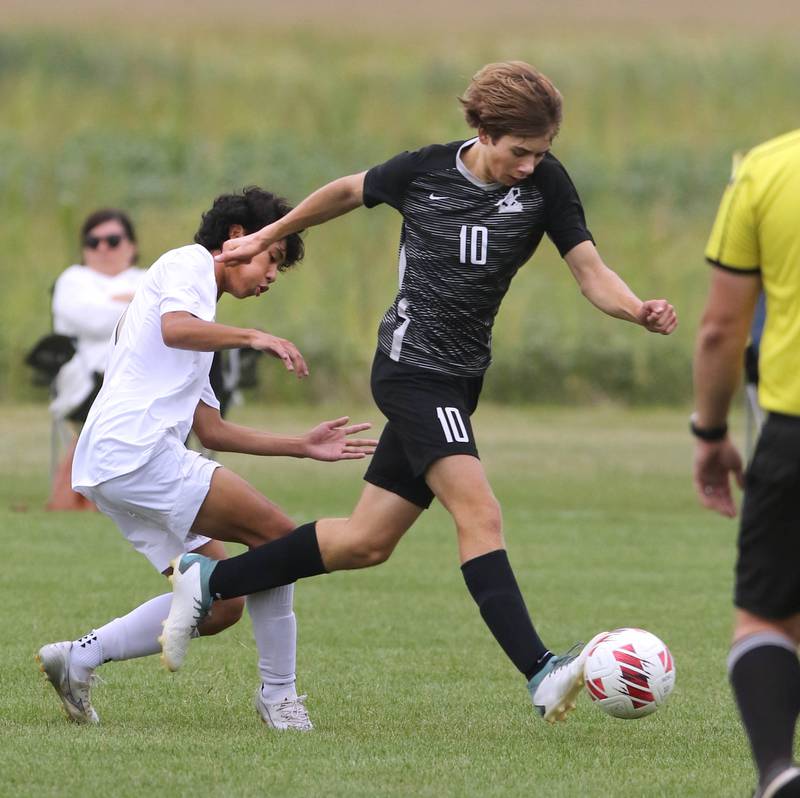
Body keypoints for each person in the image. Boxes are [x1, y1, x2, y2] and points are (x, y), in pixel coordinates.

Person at [161, 61, 677, 723]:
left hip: (459, 380)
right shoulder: (425, 171)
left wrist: (635, 309)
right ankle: (542, 672)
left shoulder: (547, 184)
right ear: (483, 131)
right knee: (479, 513)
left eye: (541, 153)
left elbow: (590, 270)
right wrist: (269, 235)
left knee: (365, 541)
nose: (530, 165)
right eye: (519, 152)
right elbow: (347, 191)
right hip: (411, 369)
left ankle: (211, 580)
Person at [37, 187, 377, 732]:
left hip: (113, 464)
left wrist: (302, 445)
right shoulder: (190, 264)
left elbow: (213, 429)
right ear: (239, 238)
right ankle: (280, 697)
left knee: (220, 608)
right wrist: (254, 337)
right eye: (273, 258)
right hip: (136, 451)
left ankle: (78, 657)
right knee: (280, 541)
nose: (270, 277)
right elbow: (176, 329)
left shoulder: (202, 314)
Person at [692, 129, 800, 798]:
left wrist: (709, 430)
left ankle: (778, 772)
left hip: (792, 431)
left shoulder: (768, 168)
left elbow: (720, 328)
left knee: (766, 617)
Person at [47, 209, 144, 511]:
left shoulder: (148, 278)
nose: (102, 248)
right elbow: (89, 320)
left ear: (131, 246)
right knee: (104, 418)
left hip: (140, 377)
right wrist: (133, 303)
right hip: (87, 380)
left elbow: (163, 322)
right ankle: (84, 501)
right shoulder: (73, 279)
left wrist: (114, 304)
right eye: (94, 241)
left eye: (112, 240)